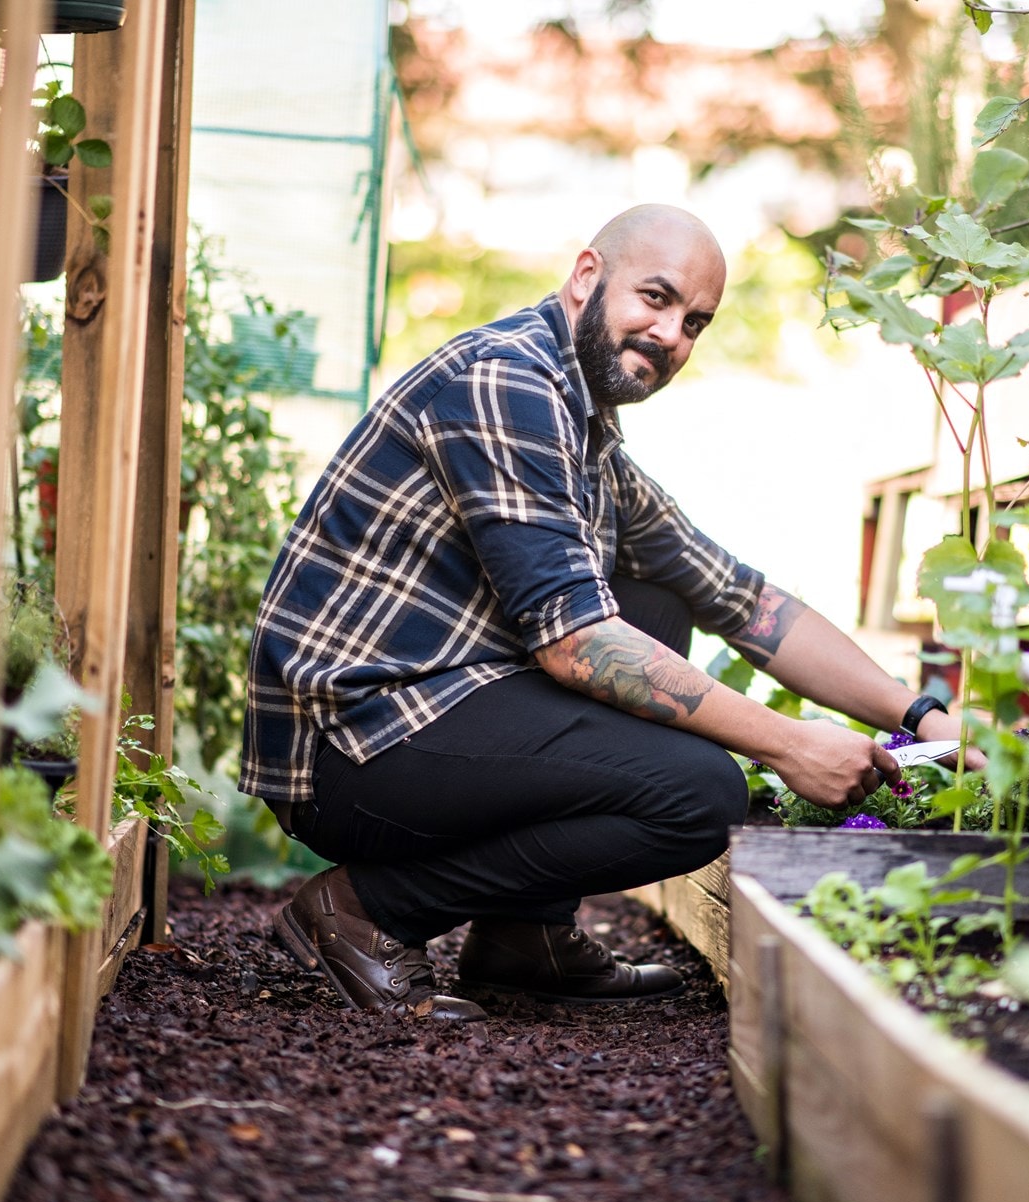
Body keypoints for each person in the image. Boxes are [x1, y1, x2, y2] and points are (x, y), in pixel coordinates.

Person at [240, 204, 973, 1021]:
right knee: (699, 794)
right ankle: (372, 910)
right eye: (655, 298)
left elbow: (744, 600)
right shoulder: (505, 380)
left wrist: (922, 716)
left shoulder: (586, 431)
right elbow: (575, 643)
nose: (670, 335)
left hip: (429, 714)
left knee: (659, 600)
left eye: (694, 321)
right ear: (587, 277)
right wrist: (791, 742)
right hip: (355, 746)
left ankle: (525, 938)